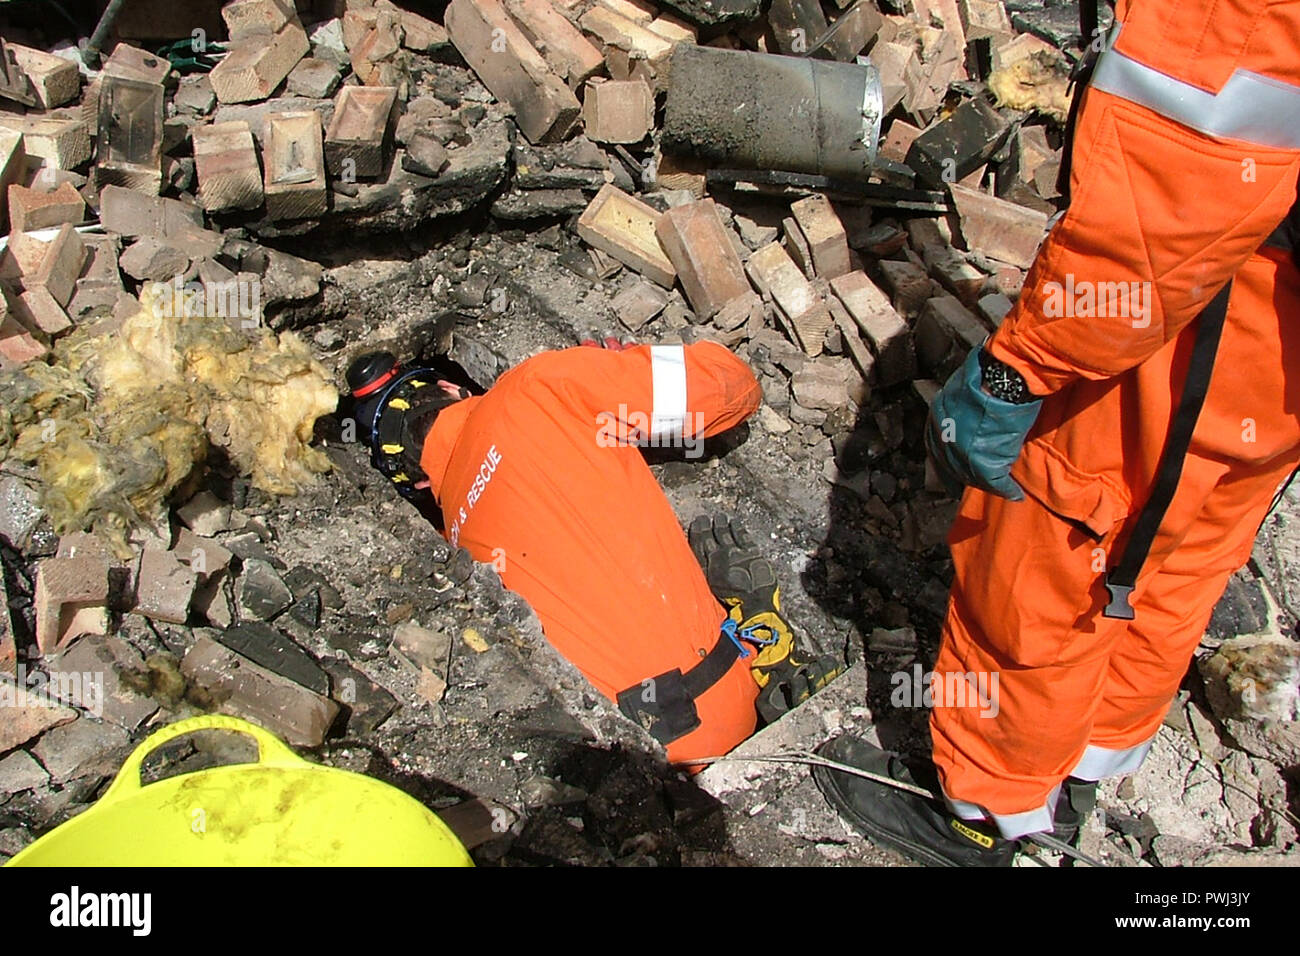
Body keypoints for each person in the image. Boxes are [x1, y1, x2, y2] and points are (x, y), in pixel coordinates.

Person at [813, 0, 1300, 865]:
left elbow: (1162, 216)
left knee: (1049, 547)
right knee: (1175, 549)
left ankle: (986, 811)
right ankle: (1079, 769)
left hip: (1220, 318)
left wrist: (1018, 367)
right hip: (1280, 359)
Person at [347, 338, 840, 765]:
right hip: (729, 702)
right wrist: (625, 366)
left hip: (644, 761)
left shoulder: (456, 544)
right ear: (455, 388)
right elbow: (731, 386)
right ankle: (768, 648)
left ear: (420, 484)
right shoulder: (537, 386)